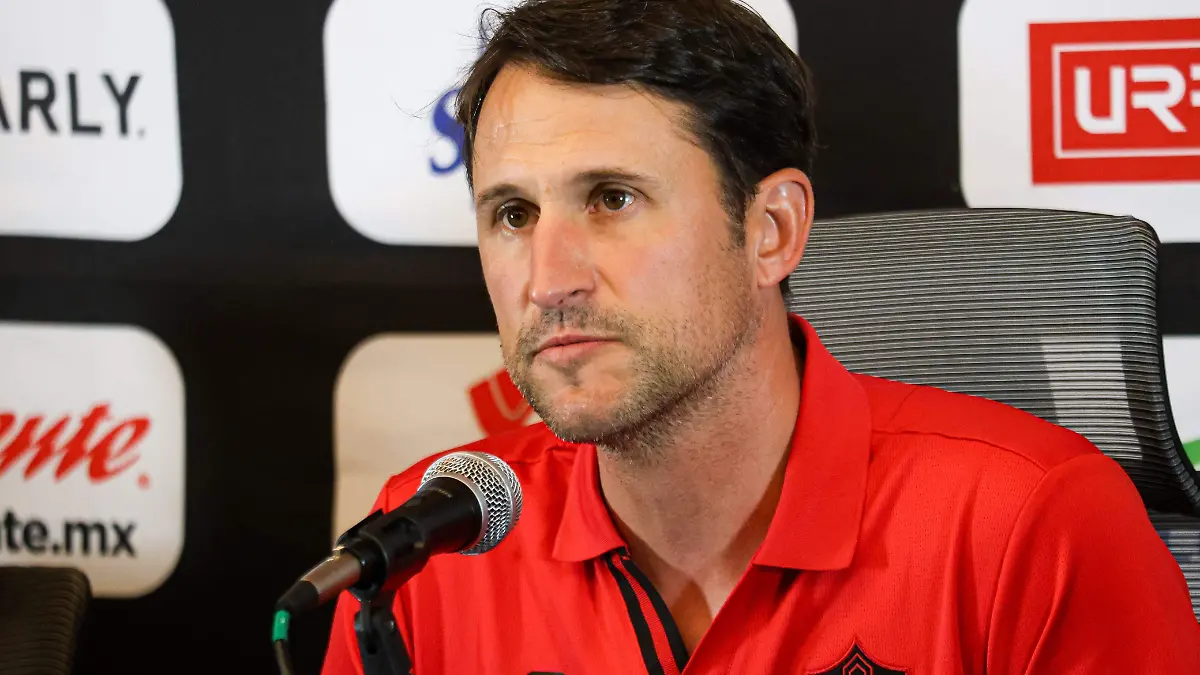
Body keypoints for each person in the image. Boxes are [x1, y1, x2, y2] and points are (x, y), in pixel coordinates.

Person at [322, 0, 1200, 672]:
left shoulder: (1035, 522)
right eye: (514, 213)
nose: (548, 280)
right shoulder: (426, 544)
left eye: (613, 199)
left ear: (772, 230)